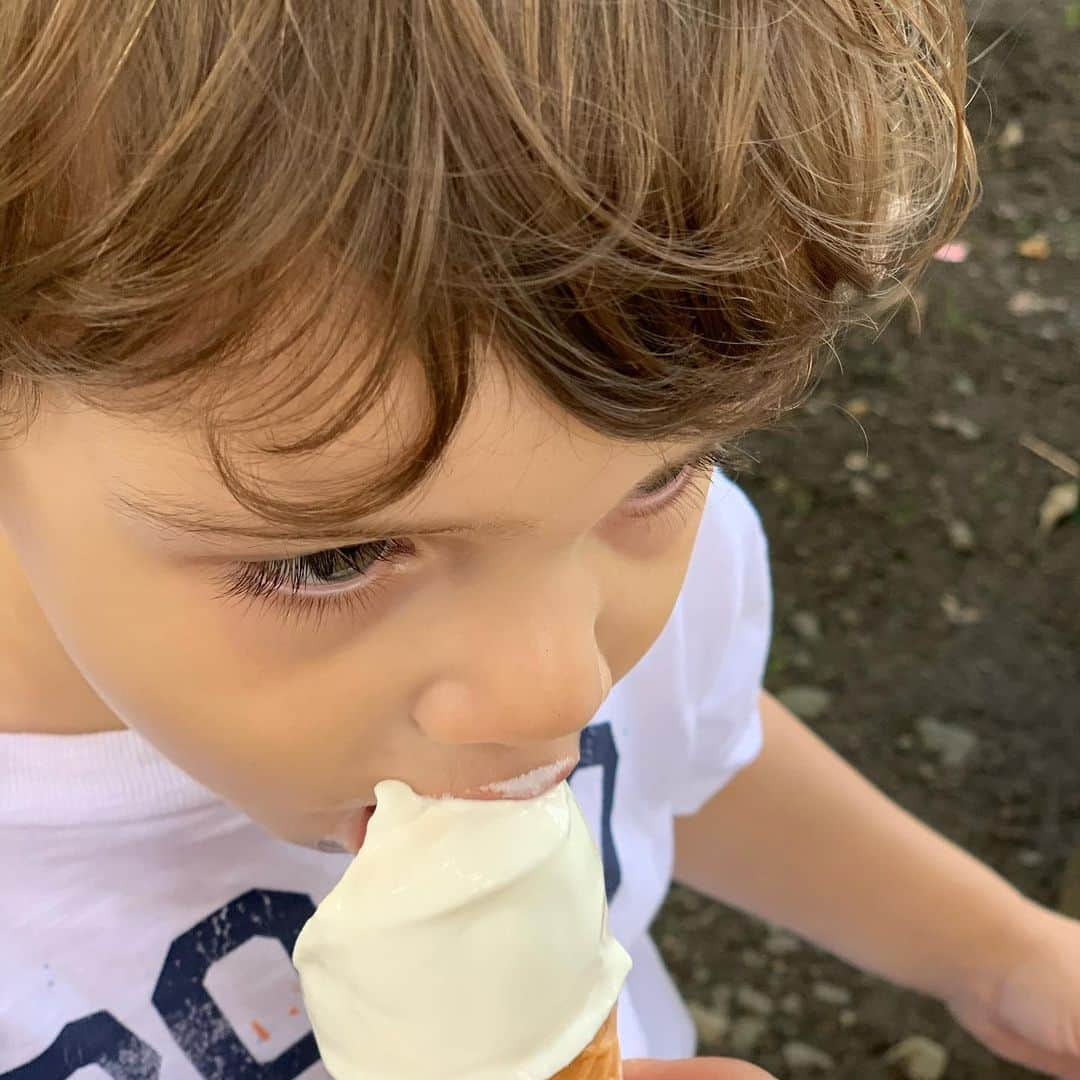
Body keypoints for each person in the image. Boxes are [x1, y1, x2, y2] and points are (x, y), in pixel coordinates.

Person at [1, 2, 1078, 1078]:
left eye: (663, 471)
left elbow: (689, 757)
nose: (561, 689)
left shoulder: (601, 558)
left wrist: (999, 952)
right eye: (333, 558)